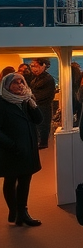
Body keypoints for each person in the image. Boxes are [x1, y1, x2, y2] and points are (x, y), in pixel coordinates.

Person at [0, 73, 43, 226]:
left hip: (27, 148)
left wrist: (33, 104)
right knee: (10, 179)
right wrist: (12, 145)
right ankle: (13, 210)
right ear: (7, 86)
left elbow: (39, 120)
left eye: (21, 82)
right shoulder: (2, 103)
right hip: (10, 150)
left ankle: (23, 213)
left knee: (25, 180)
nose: (20, 85)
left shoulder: (26, 100)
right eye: (15, 83)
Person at [28, 58, 56, 149]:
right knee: (38, 125)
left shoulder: (47, 79)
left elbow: (44, 95)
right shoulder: (36, 78)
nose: (33, 69)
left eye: (35, 66)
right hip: (37, 105)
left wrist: (31, 98)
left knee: (42, 124)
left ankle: (43, 142)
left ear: (43, 66)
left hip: (43, 105)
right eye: (32, 66)